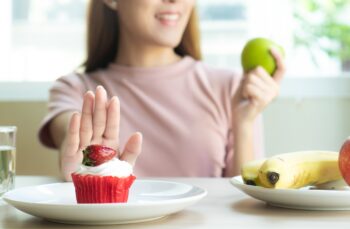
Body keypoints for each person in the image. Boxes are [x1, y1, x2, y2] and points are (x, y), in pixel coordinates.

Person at [38, 0, 286, 181]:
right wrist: (89, 165)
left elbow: (243, 200)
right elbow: (72, 148)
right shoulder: (75, 90)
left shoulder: (231, 88)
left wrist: (244, 123)